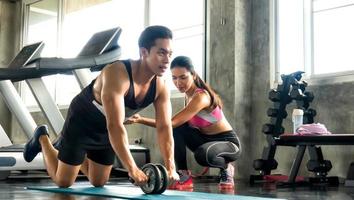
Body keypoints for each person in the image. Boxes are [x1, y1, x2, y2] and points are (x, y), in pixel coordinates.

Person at [23, 25, 179, 188]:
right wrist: (132, 168)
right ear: (144, 52)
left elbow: (164, 128)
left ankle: (71, 150)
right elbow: (115, 125)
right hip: (82, 121)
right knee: (64, 181)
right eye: (161, 53)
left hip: (105, 129)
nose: (167, 60)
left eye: (170, 54)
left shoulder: (160, 88)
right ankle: (43, 138)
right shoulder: (118, 74)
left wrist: (171, 167)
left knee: (98, 181)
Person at [126, 56, 241, 189]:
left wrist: (141, 120)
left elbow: (172, 122)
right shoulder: (188, 96)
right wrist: (139, 119)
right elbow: (173, 125)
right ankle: (184, 176)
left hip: (228, 144)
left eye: (183, 77)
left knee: (202, 155)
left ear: (193, 75)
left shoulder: (201, 96)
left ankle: (226, 167)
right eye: (174, 78)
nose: (178, 82)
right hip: (205, 141)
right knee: (178, 128)